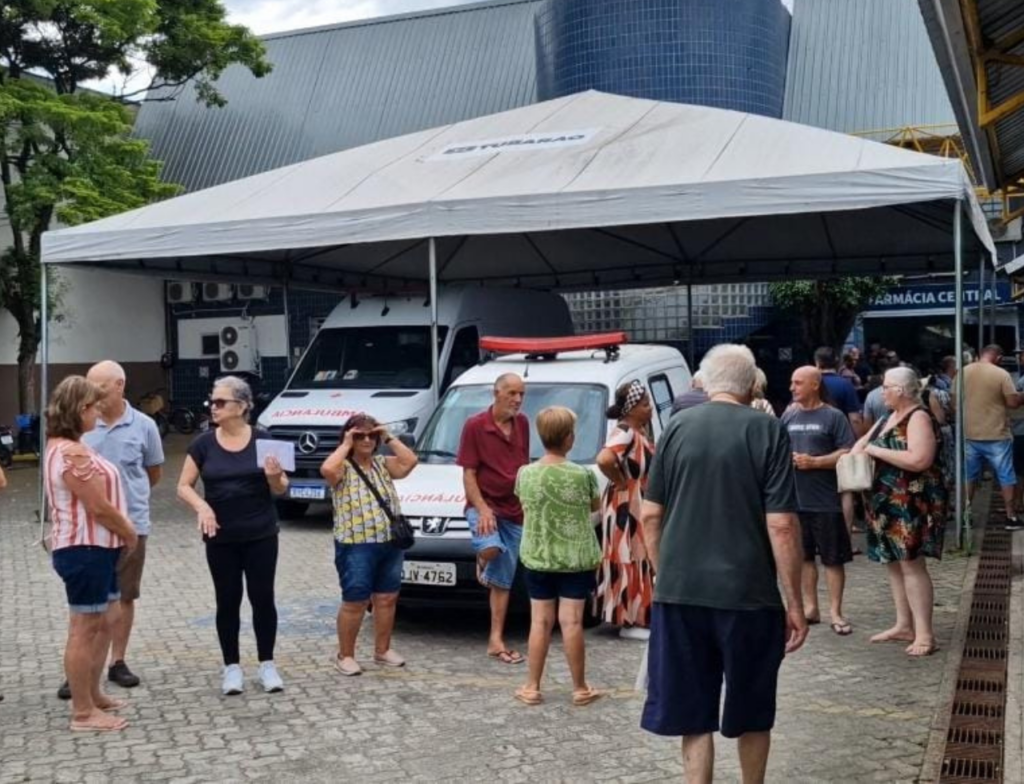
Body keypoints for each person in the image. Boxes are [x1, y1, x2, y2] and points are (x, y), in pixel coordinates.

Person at [639, 344, 806, 783]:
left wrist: (663, 573)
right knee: (753, 708)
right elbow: (782, 525)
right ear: (752, 386)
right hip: (748, 594)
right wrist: (795, 601)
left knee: (692, 714)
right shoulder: (767, 429)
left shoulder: (676, 427)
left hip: (680, 593)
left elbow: (650, 515)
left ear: (705, 383)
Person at [54, 361, 163, 698]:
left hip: (132, 523)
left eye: (99, 387)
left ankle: (117, 661)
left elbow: (153, 473)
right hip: (91, 534)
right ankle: (81, 674)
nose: (94, 394)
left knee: (124, 596)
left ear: (120, 385)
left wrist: (128, 514)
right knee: (87, 608)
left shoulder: (144, 425)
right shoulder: (81, 429)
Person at [177, 375, 290, 695]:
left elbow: (282, 488)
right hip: (221, 537)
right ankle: (231, 667)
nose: (212, 407)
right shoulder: (202, 444)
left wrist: (274, 477)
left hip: (260, 534)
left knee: (262, 598)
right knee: (227, 600)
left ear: (241, 406)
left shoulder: (264, 440)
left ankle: (267, 664)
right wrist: (202, 506)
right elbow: (183, 486)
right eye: (211, 401)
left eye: (220, 402)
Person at [44, 376, 138, 732]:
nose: (98, 414)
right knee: (84, 628)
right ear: (80, 409)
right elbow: (98, 506)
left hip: (98, 548)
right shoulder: (72, 453)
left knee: (106, 621)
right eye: (94, 408)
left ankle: (94, 694)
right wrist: (128, 531)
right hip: (85, 548)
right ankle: (83, 712)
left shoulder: (68, 446)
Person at [850, 366, 947, 656]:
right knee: (893, 562)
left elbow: (920, 459)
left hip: (911, 503)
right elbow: (860, 446)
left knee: (911, 565)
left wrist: (876, 451)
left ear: (901, 391)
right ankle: (904, 624)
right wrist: (862, 451)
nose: (882, 392)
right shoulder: (886, 417)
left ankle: (925, 634)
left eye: (886, 387)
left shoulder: (918, 417)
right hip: (885, 503)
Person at [513, 406, 602, 707]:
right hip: (575, 558)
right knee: (572, 622)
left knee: (539, 621)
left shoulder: (525, 474)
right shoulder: (583, 474)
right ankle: (580, 688)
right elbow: (594, 507)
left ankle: (531, 687)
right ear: (569, 438)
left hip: (538, 556)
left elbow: (523, 505)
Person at [320, 413, 419, 676]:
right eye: (359, 435)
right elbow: (327, 470)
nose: (366, 440)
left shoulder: (381, 464)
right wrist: (346, 444)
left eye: (371, 435)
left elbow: (410, 461)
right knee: (355, 600)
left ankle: (382, 650)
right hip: (356, 544)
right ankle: (345, 655)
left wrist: (387, 435)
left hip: (389, 542)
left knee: (387, 597)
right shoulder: (343, 466)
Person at [458, 373, 530, 664]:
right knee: (490, 549)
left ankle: (495, 639)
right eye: (512, 393)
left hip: (514, 510)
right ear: (496, 393)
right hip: (483, 505)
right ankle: (483, 558)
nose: (518, 399)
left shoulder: (523, 424)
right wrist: (483, 508)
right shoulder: (475, 425)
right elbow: (468, 474)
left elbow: (523, 466)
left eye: (521, 394)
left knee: (503, 580)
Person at [782, 367, 856, 635]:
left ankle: (836, 612)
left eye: (798, 382)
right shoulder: (789, 415)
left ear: (815, 384)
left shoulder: (833, 416)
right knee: (804, 558)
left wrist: (816, 462)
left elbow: (847, 451)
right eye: (792, 382)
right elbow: (779, 447)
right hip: (795, 500)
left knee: (833, 559)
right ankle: (811, 607)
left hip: (826, 500)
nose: (792, 387)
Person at [596, 380, 656, 639]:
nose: (650, 408)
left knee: (638, 555)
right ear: (631, 409)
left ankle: (635, 615)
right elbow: (604, 459)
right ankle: (631, 620)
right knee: (631, 555)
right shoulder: (625, 432)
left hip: (633, 500)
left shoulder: (637, 431)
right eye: (645, 404)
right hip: (626, 503)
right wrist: (621, 481)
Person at [956, 344, 1022, 529]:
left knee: (969, 476)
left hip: (970, 434)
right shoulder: (1001, 374)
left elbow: (954, 403)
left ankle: (966, 515)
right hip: (997, 434)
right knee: (1006, 475)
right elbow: (1012, 402)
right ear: (998, 358)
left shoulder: (962, 373)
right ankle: (1011, 517)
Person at [815, 346, 862, 545]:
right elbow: (855, 418)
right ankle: (845, 541)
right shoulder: (845, 385)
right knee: (845, 490)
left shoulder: (811, 382)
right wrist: (860, 442)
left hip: (815, 443)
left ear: (817, 362)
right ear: (836, 362)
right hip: (842, 444)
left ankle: (820, 539)